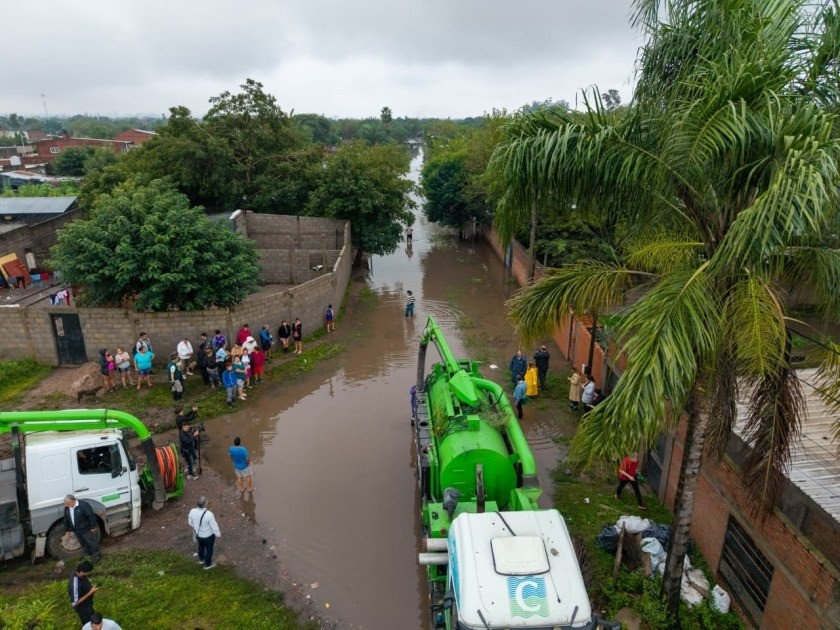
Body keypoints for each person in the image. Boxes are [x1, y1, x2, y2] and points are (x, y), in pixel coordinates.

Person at [63, 495, 101, 561]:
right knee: (83, 543)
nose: (65, 505)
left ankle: (96, 555)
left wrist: (93, 526)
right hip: (76, 530)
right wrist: (67, 530)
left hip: (86, 529)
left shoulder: (84, 505)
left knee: (92, 542)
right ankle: (87, 553)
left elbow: (91, 516)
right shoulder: (67, 507)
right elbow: (66, 518)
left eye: (67, 504)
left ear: (72, 501)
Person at [188, 496, 221, 569]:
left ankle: (201, 559)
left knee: (201, 546)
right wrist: (218, 534)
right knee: (209, 549)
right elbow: (214, 526)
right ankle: (208, 564)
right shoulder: (209, 514)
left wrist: (196, 527)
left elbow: (190, 522)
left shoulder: (192, 511)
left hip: (199, 535)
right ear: (205, 504)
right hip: (208, 536)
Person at [68, 561, 99, 625]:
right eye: (87, 572)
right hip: (83, 608)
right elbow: (74, 603)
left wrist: (90, 587)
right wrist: (91, 592)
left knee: (92, 618)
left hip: (88, 604)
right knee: (87, 623)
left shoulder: (77, 570)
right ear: (82, 572)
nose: (88, 574)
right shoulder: (75, 584)